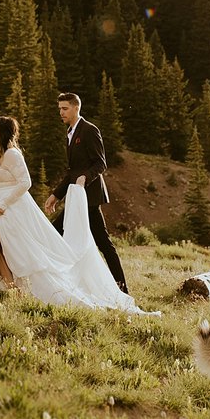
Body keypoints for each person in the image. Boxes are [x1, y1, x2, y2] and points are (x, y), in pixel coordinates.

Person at [0, 115, 155, 314]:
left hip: (12, 209)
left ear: (3, 133)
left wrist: (4, 203)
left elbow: (25, 182)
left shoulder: (12, 154)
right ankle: (6, 291)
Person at [43, 92, 130, 294]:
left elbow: (100, 163)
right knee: (58, 235)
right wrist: (56, 195)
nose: (61, 112)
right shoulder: (70, 133)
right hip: (76, 198)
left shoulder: (89, 130)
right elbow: (71, 171)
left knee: (102, 244)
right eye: (59, 109)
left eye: (64, 108)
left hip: (89, 199)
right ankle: (67, 284)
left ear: (76, 108)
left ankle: (122, 289)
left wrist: (85, 177)